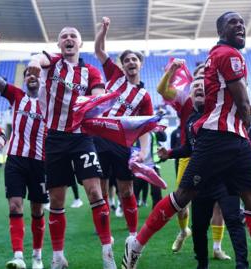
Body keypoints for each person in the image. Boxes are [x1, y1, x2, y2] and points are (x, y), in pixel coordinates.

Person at [122, 11, 251, 269]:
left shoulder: (226, 57)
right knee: (184, 196)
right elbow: (242, 103)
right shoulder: (228, 54)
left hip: (235, 139)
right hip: (217, 139)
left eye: (242, 22)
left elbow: (238, 105)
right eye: (232, 23)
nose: (240, 26)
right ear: (221, 31)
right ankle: (136, 244)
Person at [26, 26, 116, 268]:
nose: (68, 39)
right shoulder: (51, 63)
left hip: (81, 137)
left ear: (80, 44)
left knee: (96, 193)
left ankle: (108, 253)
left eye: (73, 36)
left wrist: (94, 99)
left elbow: (97, 96)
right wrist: (34, 61)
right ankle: (58, 258)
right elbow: (39, 57)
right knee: (56, 200)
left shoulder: (91, 71)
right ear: (59, 45)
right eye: (63, 36)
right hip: (54, 138)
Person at [158, 76, 248, 269]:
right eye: (195, 86)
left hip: (226, 178)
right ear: (190, 95)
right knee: (199, 227)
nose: (199, 88)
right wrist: (171, 153)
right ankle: (202, 265)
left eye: (203, 86)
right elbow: (191, 148)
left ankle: (242, 264)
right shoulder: (191, 120)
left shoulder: (222, 114)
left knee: (233, 220)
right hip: (202, 181)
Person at [157, 60, 230, 256]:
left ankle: (217, 248)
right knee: (181, 202)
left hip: (215, 156)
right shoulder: (185, 98)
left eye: (205, 76)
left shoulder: (219, 98)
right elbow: (162, 89)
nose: (201, 80)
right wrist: (172, 70)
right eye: (197, 77)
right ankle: (183, 231)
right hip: (189, 155)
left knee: (218, 202)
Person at [0, 33, 46, 269]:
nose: (31, 76)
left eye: (35, 74)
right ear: (23, 81)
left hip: (40, 161)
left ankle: (37, 256)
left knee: (36, 208)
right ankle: (19, 256)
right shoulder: (16, 95)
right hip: (15, 160)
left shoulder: (51, 100)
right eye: (27, 75)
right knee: (15, 205)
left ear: (42, 79)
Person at [94, 16, 153, 237]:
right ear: (122, 64)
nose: (130, 62)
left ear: (140, 64)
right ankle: (104, 235)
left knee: (126, 189)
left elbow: (145, 127)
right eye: (126, 59)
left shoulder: (144, 97)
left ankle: (132, 233)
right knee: (100, 190)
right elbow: (99, 50)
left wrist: (144, 153)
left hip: (121, 142)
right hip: (99, 136)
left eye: (134, 60)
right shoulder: (114, 75)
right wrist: (104, 30)